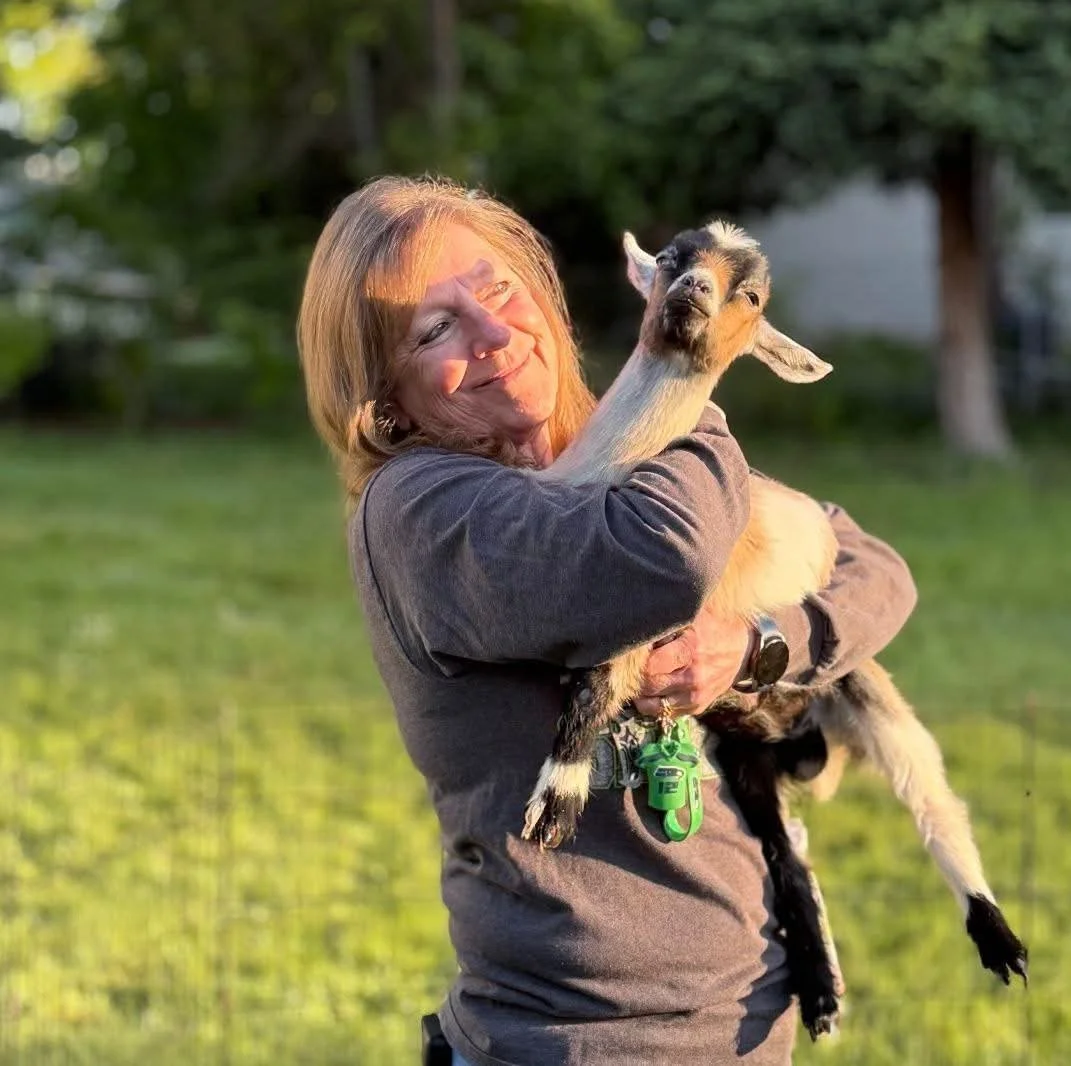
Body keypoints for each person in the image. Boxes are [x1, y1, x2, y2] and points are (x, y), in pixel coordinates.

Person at [297, 175, 918, 1066]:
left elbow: (873, 569)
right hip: (573, 1041)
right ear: (383, 397)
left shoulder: (629, 451)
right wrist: (689, 375)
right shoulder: (421, 512)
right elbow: (661, 557)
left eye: (501, 289)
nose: (497, 333)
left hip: (743, 1019)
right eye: (435, 329)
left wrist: (756, 645)